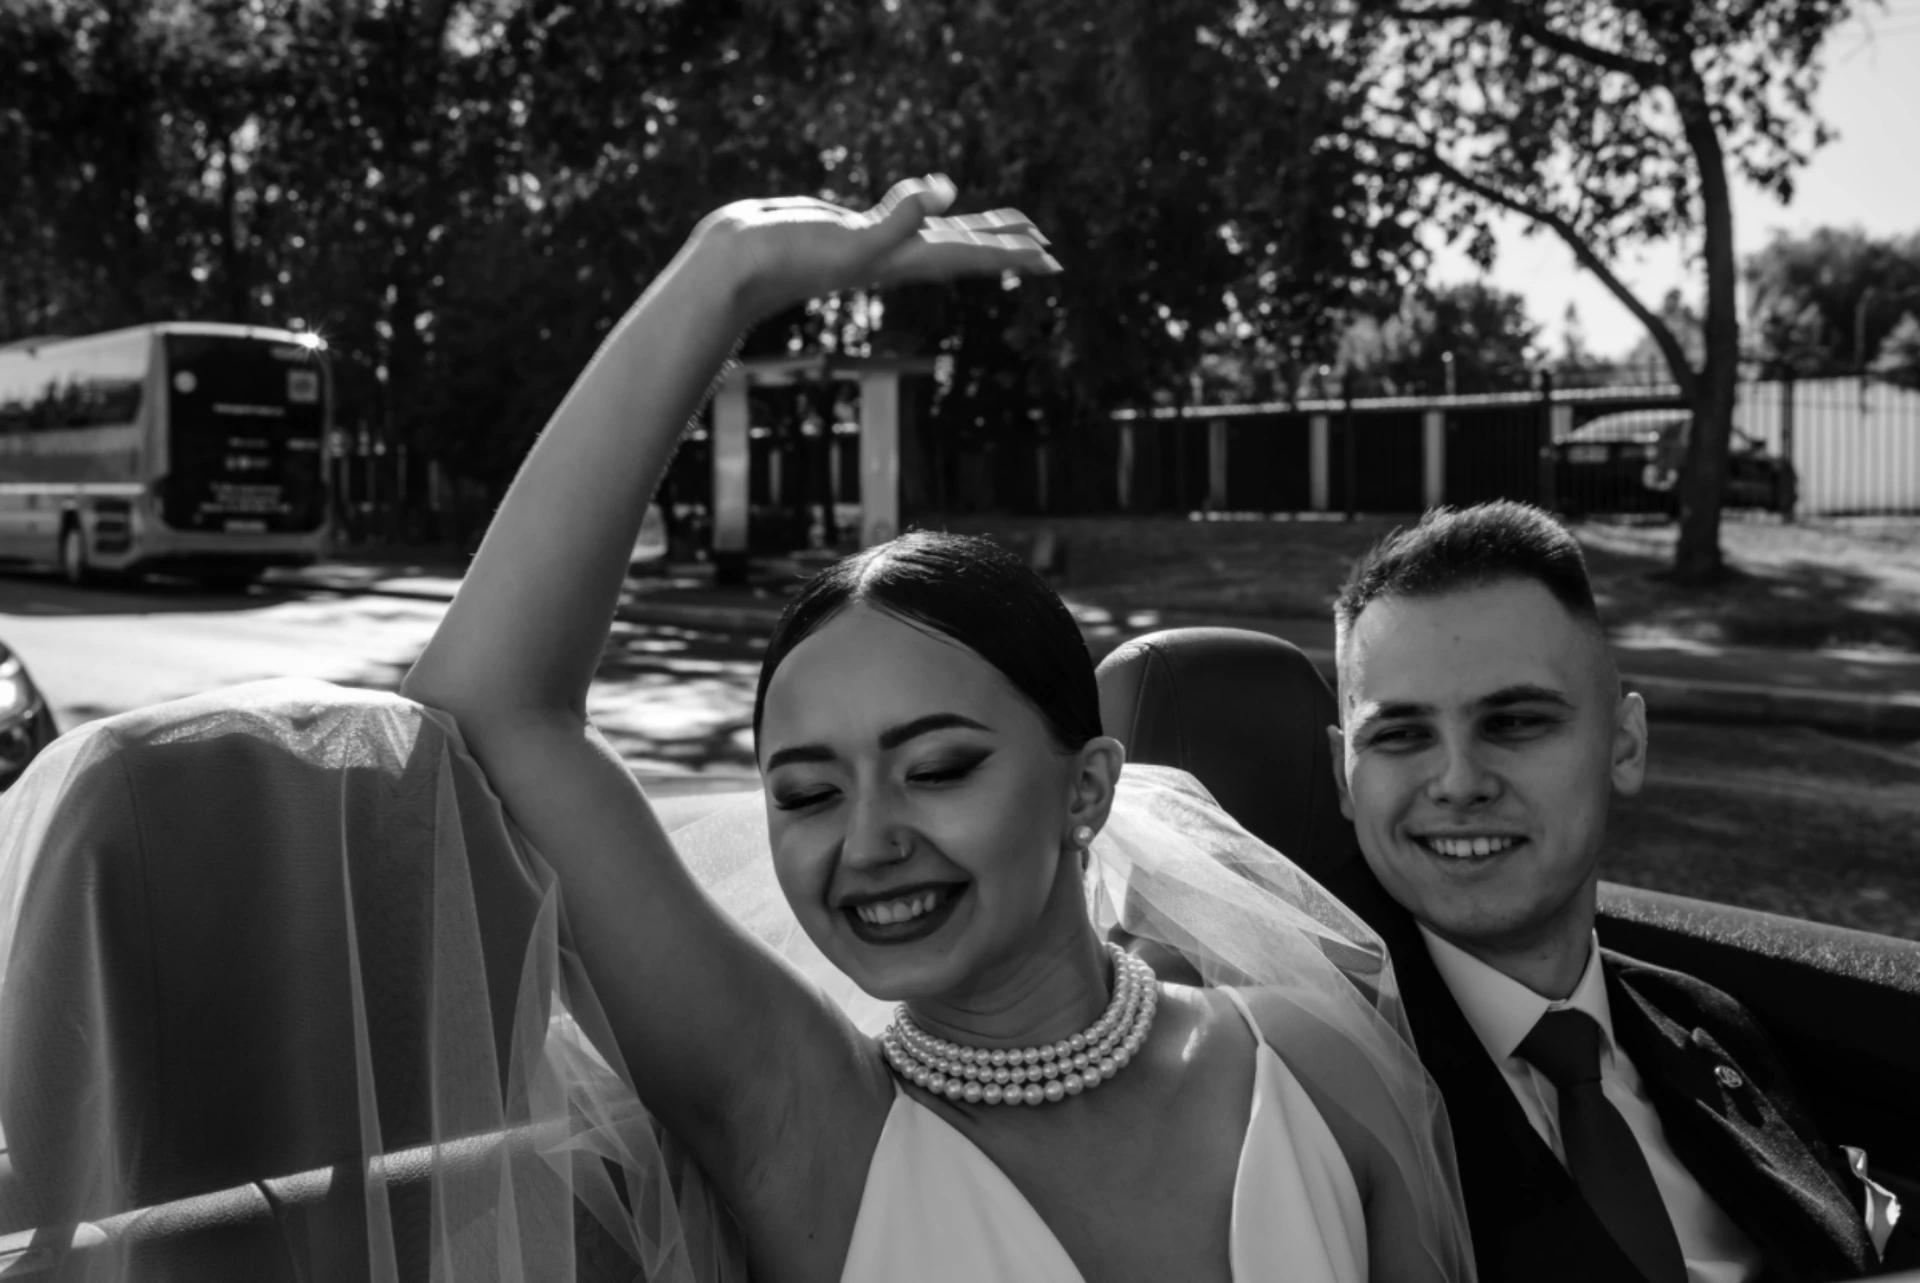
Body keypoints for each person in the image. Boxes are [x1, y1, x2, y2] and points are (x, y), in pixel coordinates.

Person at [0, 178, 1474, 1282]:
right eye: (805, 791)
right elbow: (497, 698)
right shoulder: (797, 1109)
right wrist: (725, 271)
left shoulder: (1307, 1057)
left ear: (1087, 784)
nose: (869, 840)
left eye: (938, 765)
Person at [1317, 501, 1912, 1283]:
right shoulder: (1313, 1081)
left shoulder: (1710, 1025)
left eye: (1515, 722)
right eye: (1400, 734)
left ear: (1624, 744)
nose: (1458, 782)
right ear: (1344, 777)